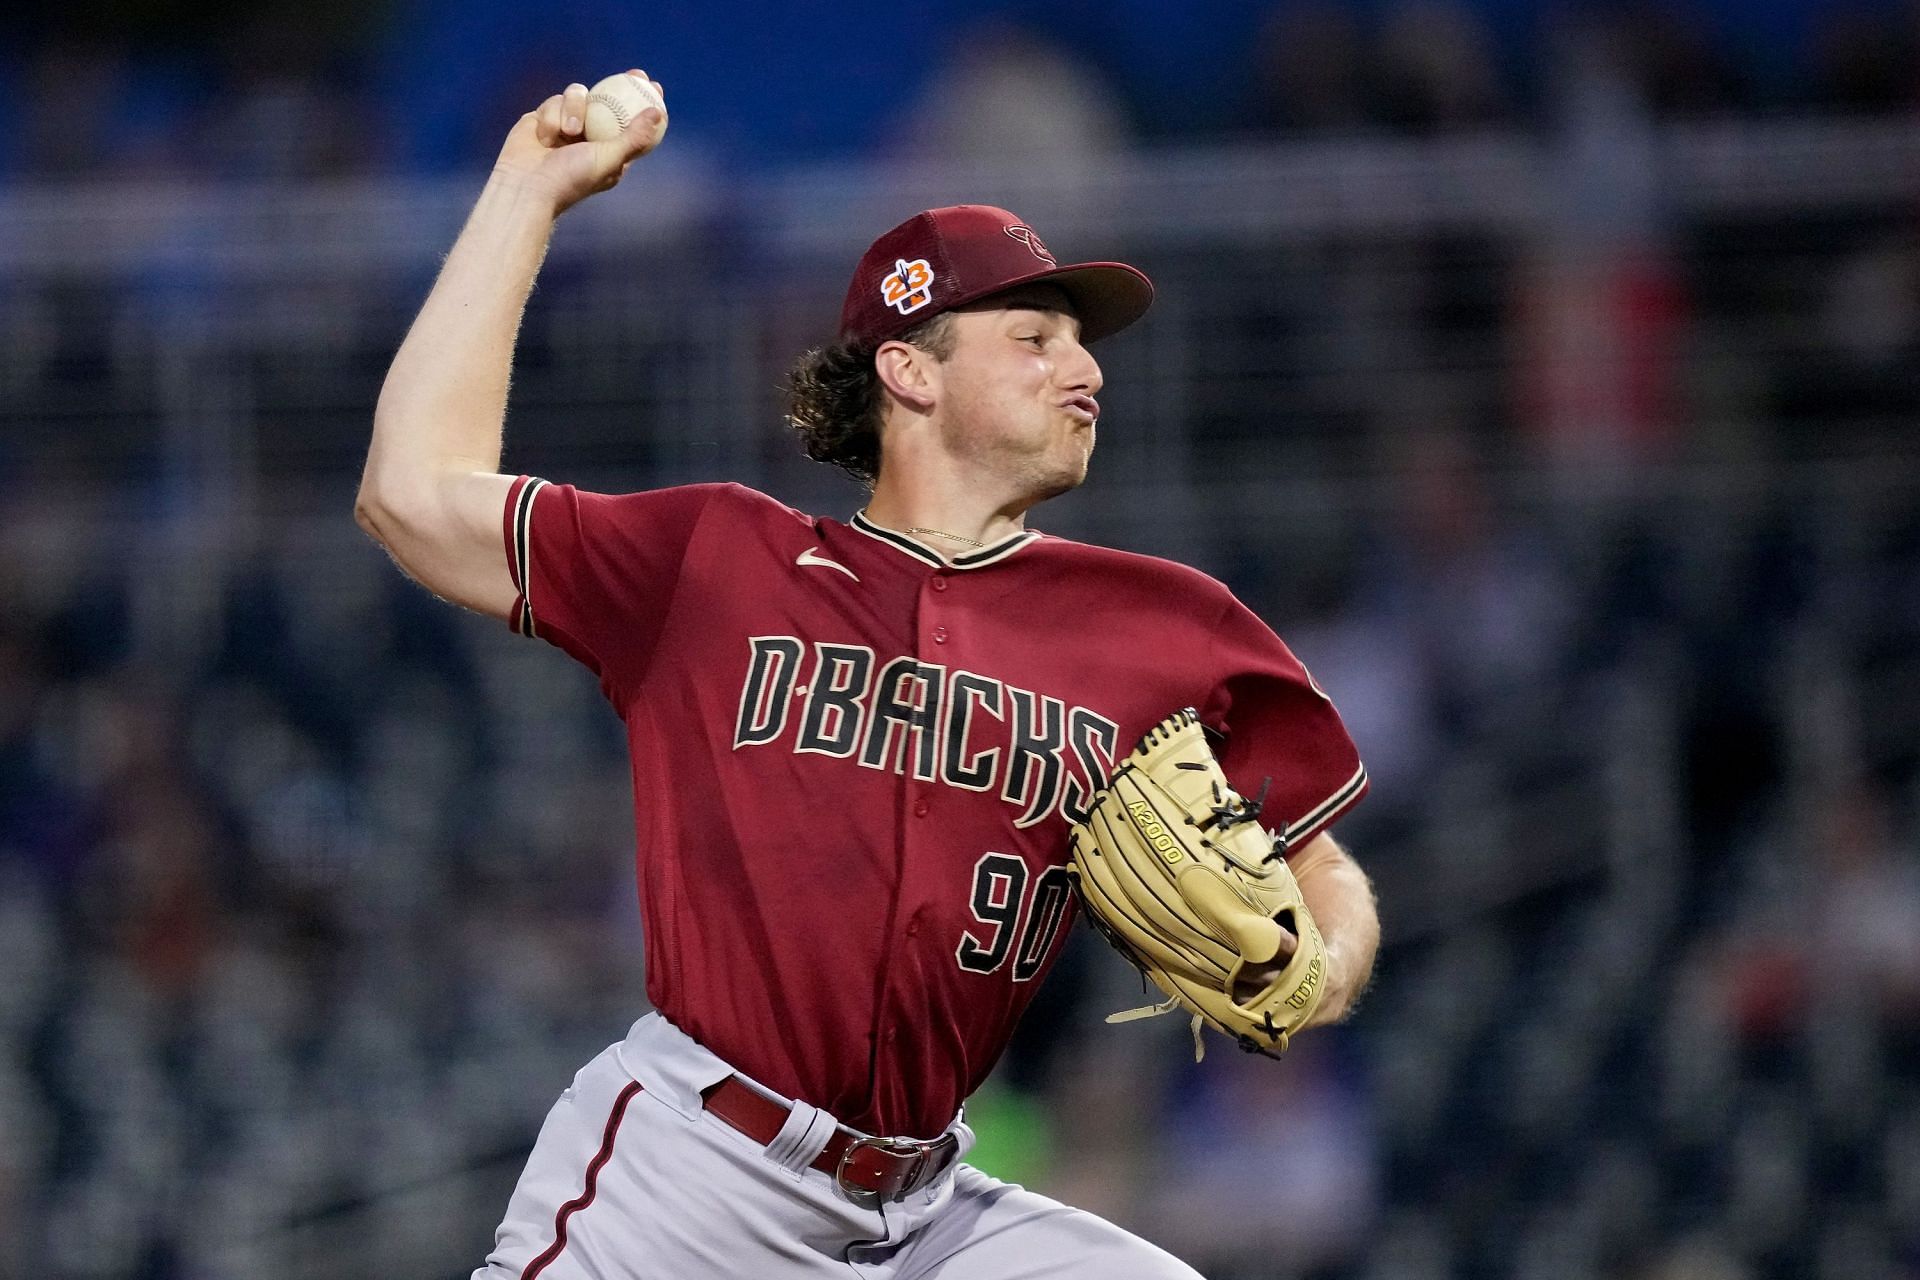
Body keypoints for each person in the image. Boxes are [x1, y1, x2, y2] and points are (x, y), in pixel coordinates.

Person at [357, 74, 1380, 1280]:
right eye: (1035, 338)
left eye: (1083, 345)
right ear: (910, 370)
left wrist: (1322, 970)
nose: (1084, 371)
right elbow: (411, 496)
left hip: (931, 1206)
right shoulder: (719, 560)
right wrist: (527, 193)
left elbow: (1320, 867)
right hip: (694, 1178)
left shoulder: (1167, 625)